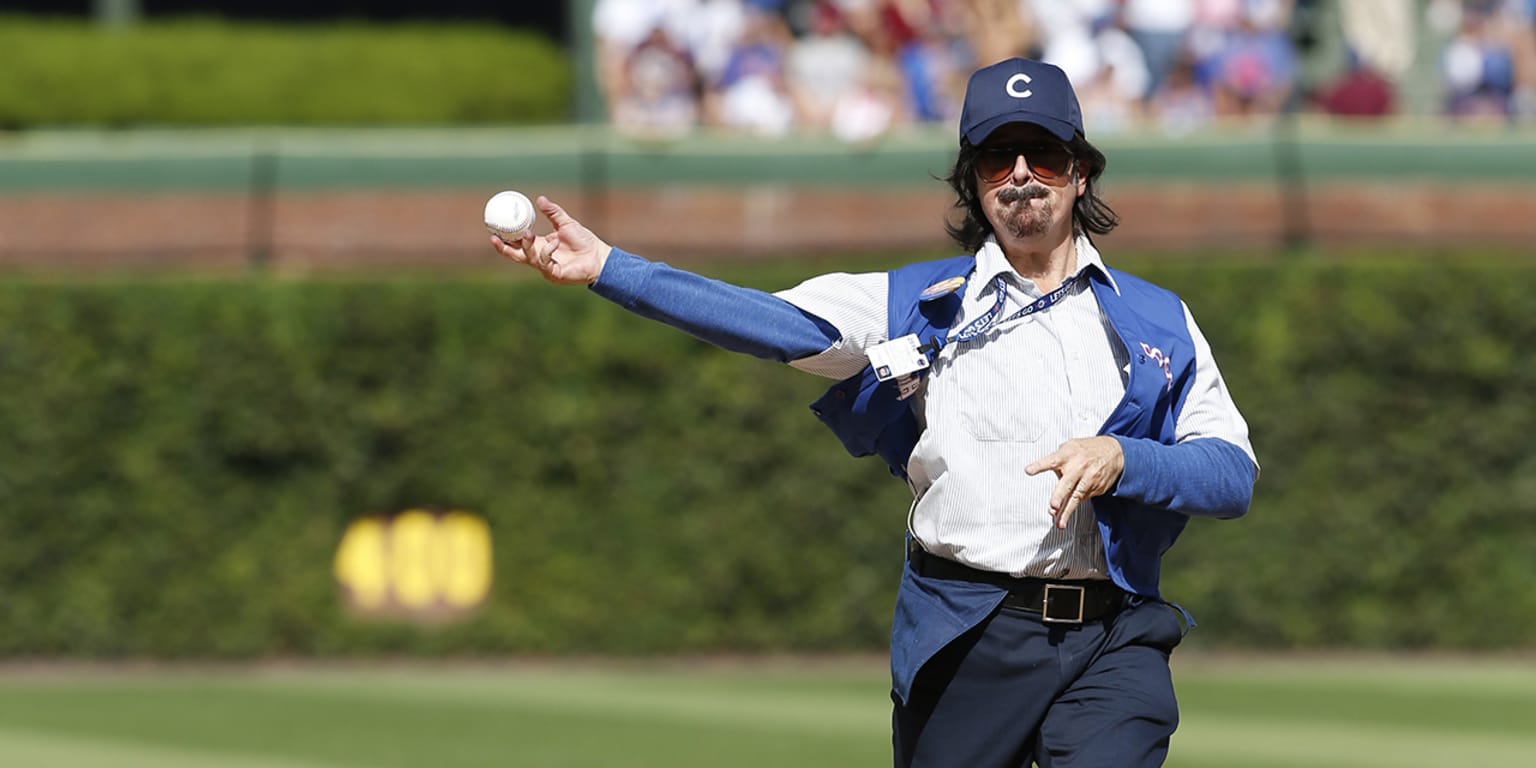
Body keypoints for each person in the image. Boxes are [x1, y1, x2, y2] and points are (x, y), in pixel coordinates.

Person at [492, 57, 1257, 768]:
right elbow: (768, 322)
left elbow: (1231, 474)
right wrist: (610, 269)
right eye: (998, 158)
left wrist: (1127, 458)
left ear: (1081, 174)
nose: (1022, 175)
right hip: (970, 628)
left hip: (1112, 634)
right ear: (974, 183)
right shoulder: (914, 303)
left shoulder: (1159, 320)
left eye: (1045, 155)